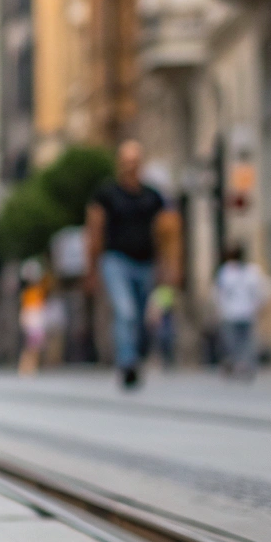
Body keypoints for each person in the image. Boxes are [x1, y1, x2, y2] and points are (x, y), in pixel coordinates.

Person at [86, 140, 183, 390]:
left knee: (140, 318)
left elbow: (168, 231)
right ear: (119, 164)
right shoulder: (106, 194)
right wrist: (91, 268)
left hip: (146, 263)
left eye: (135, 161)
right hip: (115, 260)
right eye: (126, 161)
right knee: (125, 312)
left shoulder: (153, 196)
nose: (131, 166)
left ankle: (135, 357)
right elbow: (94, 230)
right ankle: (127, 362)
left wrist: (171, 265)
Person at [214, 245, 268, 378]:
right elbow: (260, 292)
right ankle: (243, 364)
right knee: (245, 342)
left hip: (231, 313)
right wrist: (259, 306)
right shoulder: (252, 271)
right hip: (246, 312)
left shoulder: (226, 272)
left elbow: (219, 293)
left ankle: (237, 364)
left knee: (233, 342)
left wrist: (219, 309)